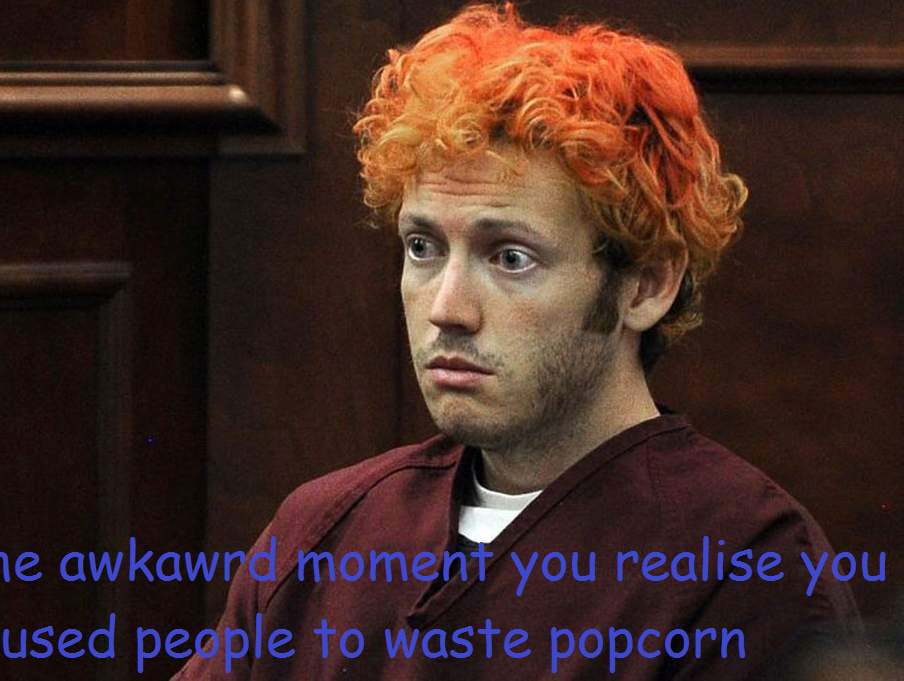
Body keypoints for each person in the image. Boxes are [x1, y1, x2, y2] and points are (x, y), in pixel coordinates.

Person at [173, 4, 860, 678]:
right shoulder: (325, 535)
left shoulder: (749, 565)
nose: (448, 309)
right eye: (423, 247)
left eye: (510, 258)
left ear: (646, 286)